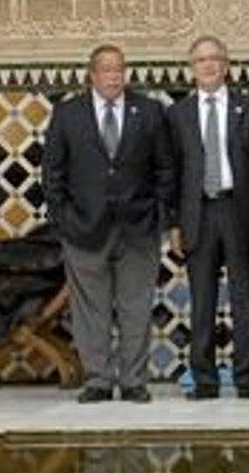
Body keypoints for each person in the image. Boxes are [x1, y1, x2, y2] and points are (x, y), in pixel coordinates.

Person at [42, 44, 175, 403]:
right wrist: (65, 220)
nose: (114, 76)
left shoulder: (148, 111)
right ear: (92, 75)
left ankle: (134, 382)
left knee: (135, 308)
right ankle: (98, 380)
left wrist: (161, 216)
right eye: (106, 70)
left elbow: (165, 169)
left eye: (119, 69)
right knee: (91, 311)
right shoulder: (68, 114)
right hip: (84, 230)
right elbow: (52, 174)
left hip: (139, 228)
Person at [166, 35, 249, 400]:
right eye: (201, 60)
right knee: (202, 300)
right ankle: (204, 380)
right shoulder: (178, 114)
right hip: (197, 215)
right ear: (192, 68)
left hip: (238, 211)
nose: (208, 65)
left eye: (215, 59)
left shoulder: (247, 107)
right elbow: (171, 171)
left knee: (243, 298)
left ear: (226, 65)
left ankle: (246, 379)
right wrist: (173, 222)